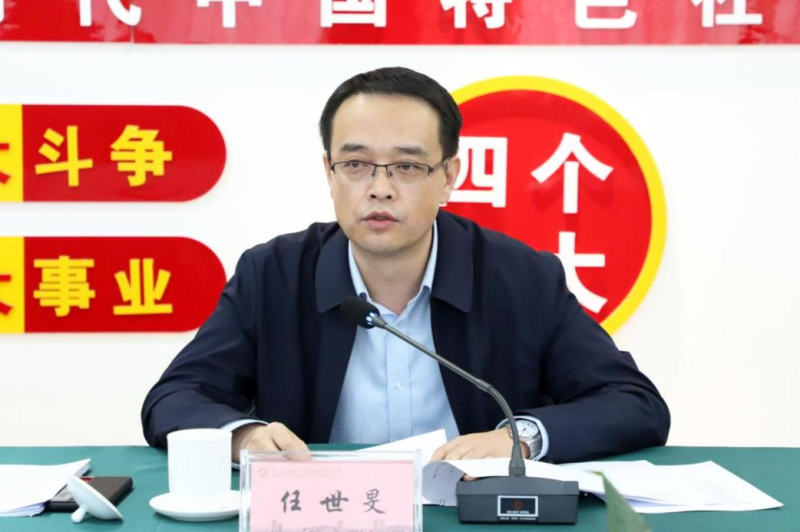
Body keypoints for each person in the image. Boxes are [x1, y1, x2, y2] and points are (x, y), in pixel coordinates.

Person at [142, 67, 670, 464]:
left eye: (408, 166)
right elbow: (175, 397)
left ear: (449, 177)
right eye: (355, 164)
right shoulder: (274, 275)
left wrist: (520, 438)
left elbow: (633, 403)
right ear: (329, 172)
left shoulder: (520, 278)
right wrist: (244, 437)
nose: (380, 187)